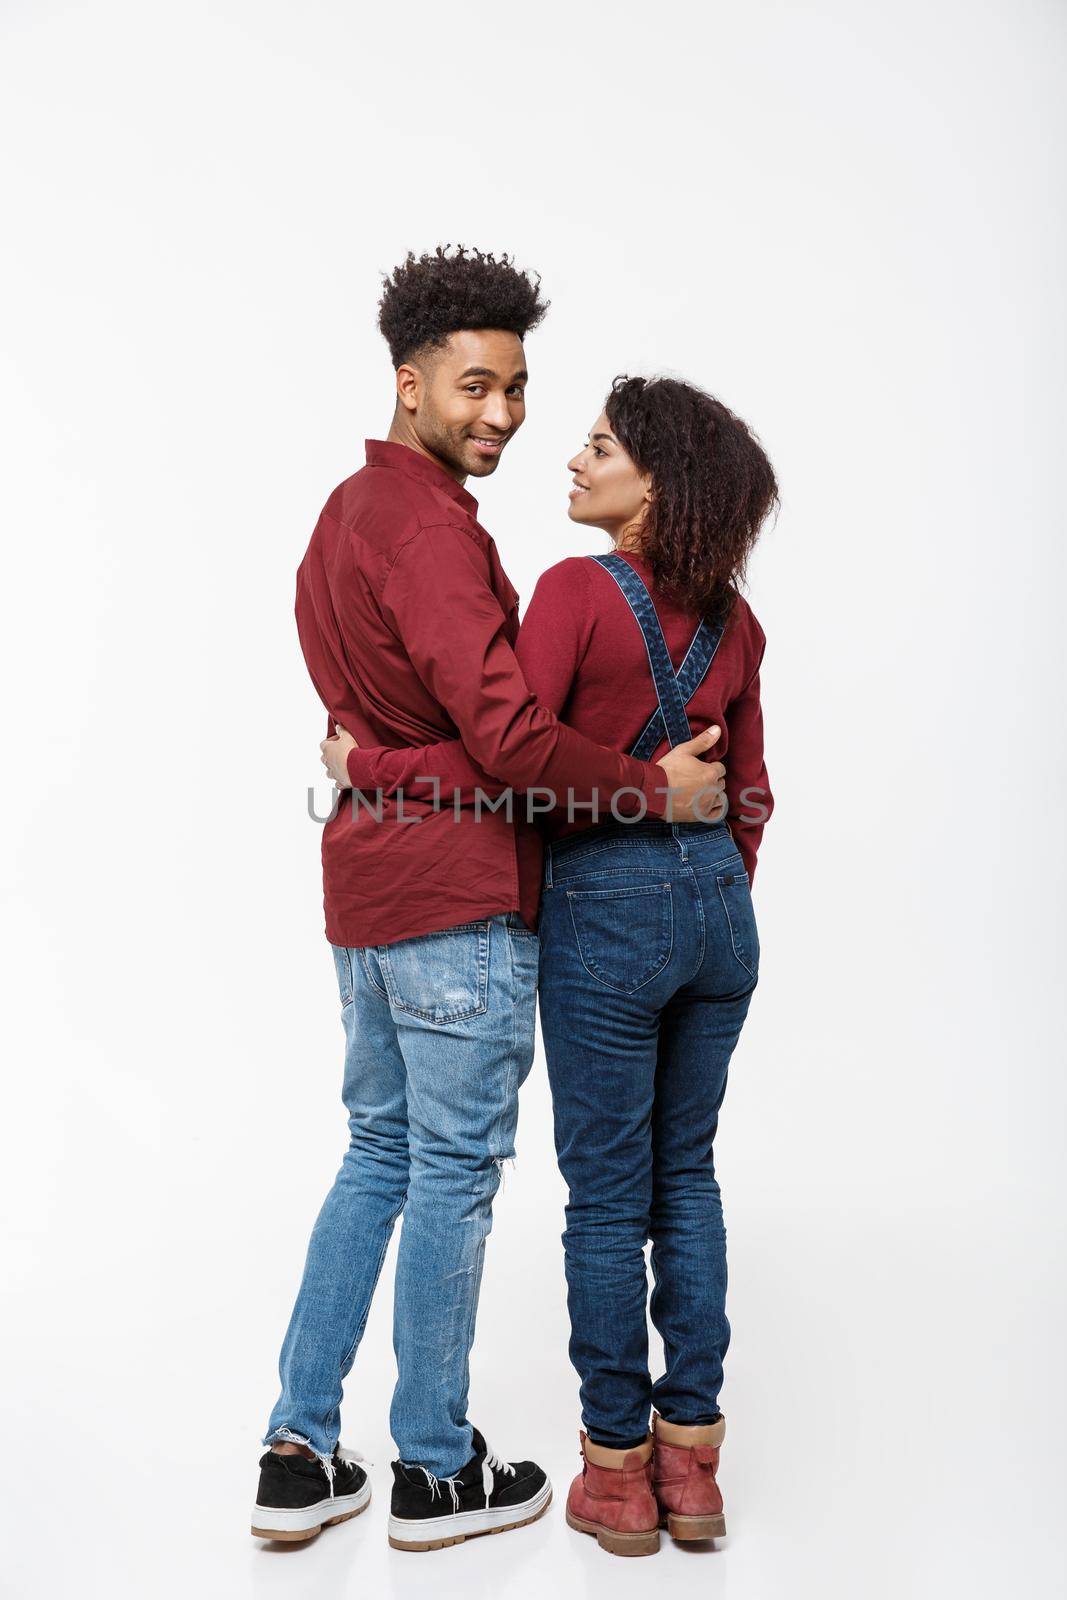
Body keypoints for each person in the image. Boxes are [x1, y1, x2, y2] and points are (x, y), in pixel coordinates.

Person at [252, 249, 724, 1551]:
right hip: (455, 904)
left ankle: (297, 1450)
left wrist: (381, 769)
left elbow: (369, 723)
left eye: (516, 389)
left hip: (363, 893)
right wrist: (647, 787)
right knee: (450, 1174)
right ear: (407, 385)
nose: (501, 415)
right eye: (474, 386)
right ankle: (432, 1468)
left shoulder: (343, 518)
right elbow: (513, 741)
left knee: (380, 1156)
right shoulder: (427, 533)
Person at [334, 373, 777, 1557]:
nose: (571, 462)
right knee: (686, 1176)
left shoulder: (578, 592)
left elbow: (511, 757)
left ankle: (616, 1475)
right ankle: (694, 1462)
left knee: (607, 1195)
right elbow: (752, 797)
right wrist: (709, 893)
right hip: (720, 916)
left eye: (598, 448)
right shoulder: (738, 622)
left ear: (656, 484)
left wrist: (373, 759)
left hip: (606, 913)